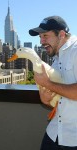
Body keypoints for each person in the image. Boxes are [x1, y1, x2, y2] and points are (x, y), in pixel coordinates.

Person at [29, 16, 77, 149]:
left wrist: (48, 84)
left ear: (61, 34)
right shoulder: (56, 58)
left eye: (45, 35)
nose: (41, 41)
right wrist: (46, 99)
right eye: (40, 37)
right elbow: (59, 97)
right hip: (54, 132)